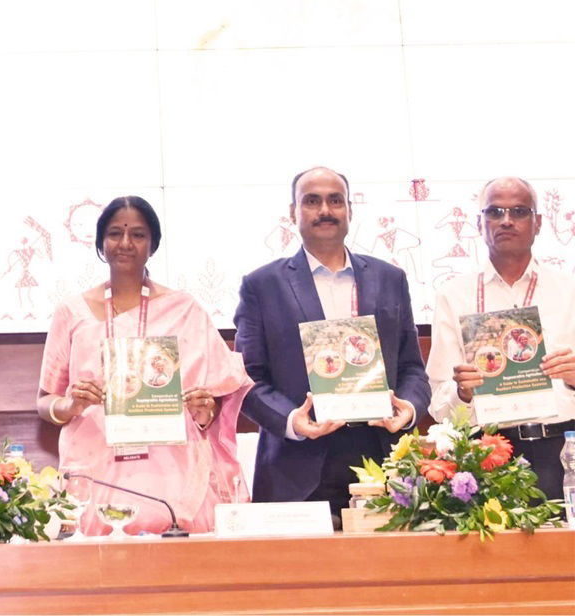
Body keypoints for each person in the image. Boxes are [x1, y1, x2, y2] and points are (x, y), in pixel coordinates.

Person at [37, 196, 252, 535]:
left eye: (138, 235)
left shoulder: (185, 309)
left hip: (171, 467)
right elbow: (45, 401)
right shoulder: (72, 311)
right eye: (114, 234)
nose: (125, 244)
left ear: (153, 245)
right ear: (100, 243)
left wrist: (205, 410)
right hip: (96, 466)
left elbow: (216, 404)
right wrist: (71, 404)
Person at [235, 167, 430, 520]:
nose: (325, 210)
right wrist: (293, 420)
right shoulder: (262, 285)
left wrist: (409, 409)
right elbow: (248, 377)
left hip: (383, 463)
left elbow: (412, 368)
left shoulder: (390, 278)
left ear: (349, 211)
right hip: (297, 470)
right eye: (312, 201)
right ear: (293, 213)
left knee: (391, 575)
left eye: (335, 200)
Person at [426, 177, 575, 500]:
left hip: (561, 453)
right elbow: (439, 403)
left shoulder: (569, 290)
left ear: (538, 223)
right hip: (486, 455)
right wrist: (462, 392)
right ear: (480, 223)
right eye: (494, 212)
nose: (506, 220)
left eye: (519, 211)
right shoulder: (454, 295)